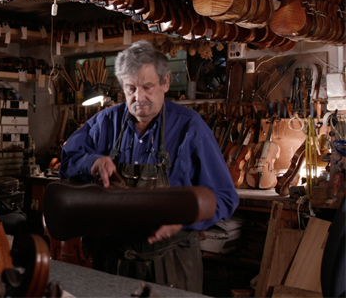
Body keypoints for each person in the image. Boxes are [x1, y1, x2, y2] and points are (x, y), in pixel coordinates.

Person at [59, 40, 239, 293]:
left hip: (172, 260)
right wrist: (92, 162)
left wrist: (184, 220)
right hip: (113, 258)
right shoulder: (104, 123)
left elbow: (225, 196)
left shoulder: (190, 127)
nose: (138, 97)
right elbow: (66, 163)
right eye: (130, 88)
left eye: (147, 87)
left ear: (165, 83)